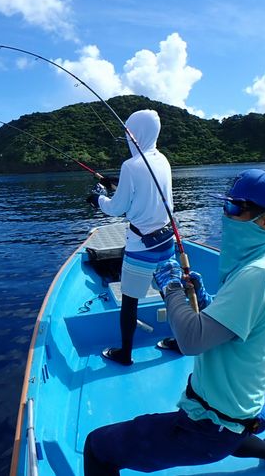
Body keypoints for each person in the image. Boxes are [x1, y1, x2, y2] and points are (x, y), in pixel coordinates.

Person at [83, 169, 265, 475]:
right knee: (233, 436)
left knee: (98, 447)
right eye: (226, 206)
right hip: (248, 408)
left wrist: (170, 289)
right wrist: (204, 299)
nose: (226, 215)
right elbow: (240, 327)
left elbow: (192, 341)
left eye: (235, 209)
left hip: (210, 424)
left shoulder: (257, 275)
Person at [86, 109, 175, 366]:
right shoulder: (163, 160)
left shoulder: (131, 165)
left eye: (129, 131)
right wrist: (116, 182)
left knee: (130, 301)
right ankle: (179, 341)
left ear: (136, 133)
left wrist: (96, 199)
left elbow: (116, 208)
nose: (127, 136)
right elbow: (146, 189)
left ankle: (125, 354)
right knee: (171, 293)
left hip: (140, 248)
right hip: (166, 243)